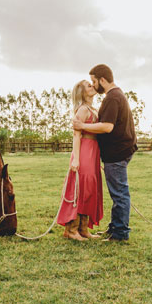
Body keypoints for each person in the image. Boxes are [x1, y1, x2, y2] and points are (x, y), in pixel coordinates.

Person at [72, 64, 137, 241]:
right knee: (118, 193)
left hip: (117, 153)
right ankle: (115, 227)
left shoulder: (112, 98)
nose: (93, 86)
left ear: (102, 80)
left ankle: (120, 233)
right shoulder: (116, 96)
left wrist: (82, 125)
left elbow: (107, 127)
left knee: (119, 194)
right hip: (118, 152)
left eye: (94, 81)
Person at [56, 80, 104, 240]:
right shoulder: (83, 109)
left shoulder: (94, 109)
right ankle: (71, 230)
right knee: (80, 187)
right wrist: (76, 159)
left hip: (93, 151)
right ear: (82, 92)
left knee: (89, 188)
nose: (93, 86)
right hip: (83, 150)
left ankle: (83, 228)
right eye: (89, 86)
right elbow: (76, 134)